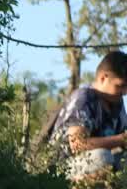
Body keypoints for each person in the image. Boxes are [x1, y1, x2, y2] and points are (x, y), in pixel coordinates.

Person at [49, 50, 127, 180]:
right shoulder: (84, 99)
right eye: (121, 86)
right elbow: (77, 144)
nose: (124, 92)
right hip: (61, 172)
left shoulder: (117, 103)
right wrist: (121, 139)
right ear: (103, 78)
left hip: (90, 165)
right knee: (103, 157)